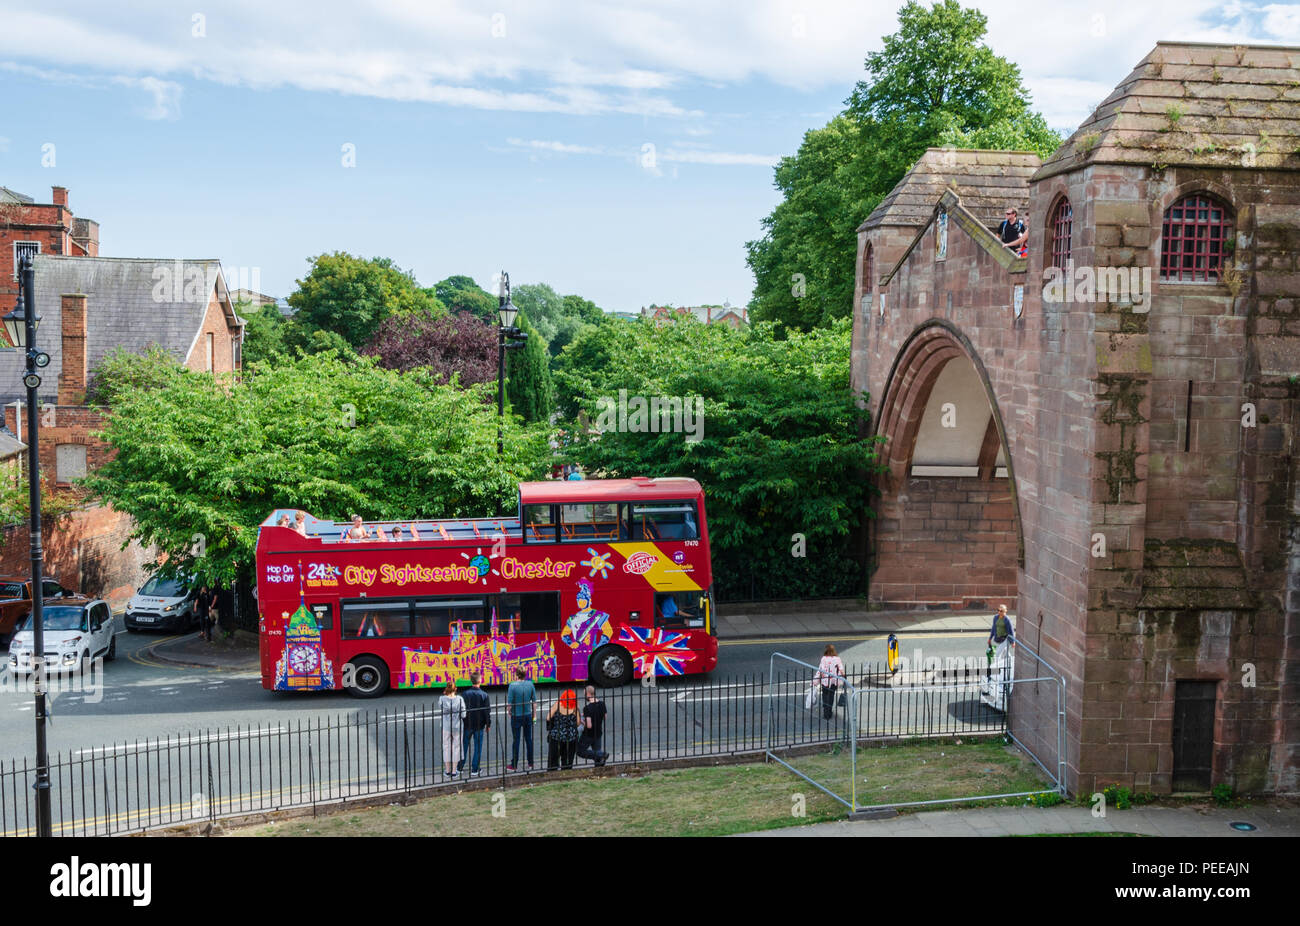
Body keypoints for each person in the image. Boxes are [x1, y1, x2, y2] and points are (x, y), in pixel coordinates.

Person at [459, 672, 492, 777]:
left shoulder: (464, 694)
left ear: (471, 680)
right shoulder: (484, 695)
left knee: (464, 745)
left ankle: (459, 767)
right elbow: (487, 712)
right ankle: (474, 769)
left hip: (467, 724)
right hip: (479, 725)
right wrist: (488, 724)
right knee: (478, 747)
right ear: (480, 680)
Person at [506, 666, 537, 771]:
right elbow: (534, 702)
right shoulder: (530, 684)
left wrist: (509, 712)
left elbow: (509, 703)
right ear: (525, 674)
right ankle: (531, 763)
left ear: (516, 674)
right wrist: (534, 716)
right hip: (528, 715)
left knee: (516, 740)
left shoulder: (512, 686)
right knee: (529, 739)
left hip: (516, 716)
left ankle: (514, 764)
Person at [547, 688, 581, 770]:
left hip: (556, 736)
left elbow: (548, 718)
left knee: (553, 760)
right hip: (570, 738)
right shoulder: (574, 708)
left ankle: (552, 775)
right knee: (567, 762)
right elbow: (578, 723)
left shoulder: (558, 704)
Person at [438, 682, 466, 779]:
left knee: (446, 747)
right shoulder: (459, 699)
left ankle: (447, 770)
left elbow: (441, 710)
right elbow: (463, 715)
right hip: (457, 726)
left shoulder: (442, 699)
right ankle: (454, 771)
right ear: (456, 689)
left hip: (446, 726)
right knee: (456, 747)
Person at [576, 684, 609, 767]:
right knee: (597, 756)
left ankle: (602, 754)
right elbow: (605, 717)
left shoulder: (587, 708)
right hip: (598, 732)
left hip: (589, 735)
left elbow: (589, 725)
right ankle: (599, 769)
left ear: (588, 694)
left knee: (580, 751)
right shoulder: (602, 704)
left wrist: (581, 721)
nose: (584, 696)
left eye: (584, 694)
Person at [814, 644, 845, 722]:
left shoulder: (824, 659)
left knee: (825, 695)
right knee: (831, 696)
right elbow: (841, 669)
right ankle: (829, 712)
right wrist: (843, 677)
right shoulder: (837, 659)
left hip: (825, 681)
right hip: (834, 681)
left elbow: (820, 670)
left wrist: (815, 681)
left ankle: (825, 712)